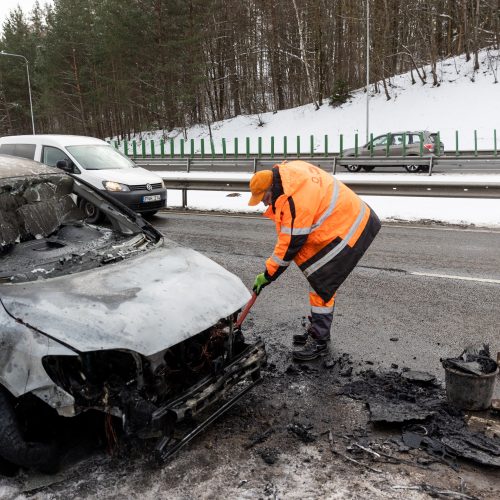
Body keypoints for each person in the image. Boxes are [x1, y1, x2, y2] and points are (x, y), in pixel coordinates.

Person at [249, 160, 381, 361]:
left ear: (271, 188)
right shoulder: (287, 174)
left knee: (322, 281)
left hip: (350, 228)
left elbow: (290, 244)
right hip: (343, 218)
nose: (264, 203)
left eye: (264, 198)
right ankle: (317, 330)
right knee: (317, 279)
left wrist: (268, 275)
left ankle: (320, 341)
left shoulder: (293, 199)